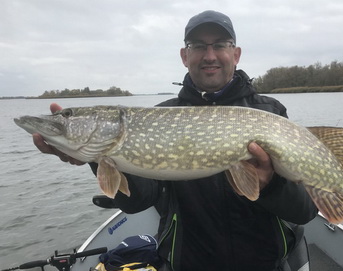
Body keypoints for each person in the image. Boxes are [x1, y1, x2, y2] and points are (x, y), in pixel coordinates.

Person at [33, 10, 317, 271]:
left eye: (219, 44)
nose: (209, 55)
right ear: (184, 55)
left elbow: (304, 211)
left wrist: (269, 184)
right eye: (198, 46)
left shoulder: (269, 112)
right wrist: (96, 158)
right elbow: (138, 201)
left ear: (236, 53)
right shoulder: (160, 117)